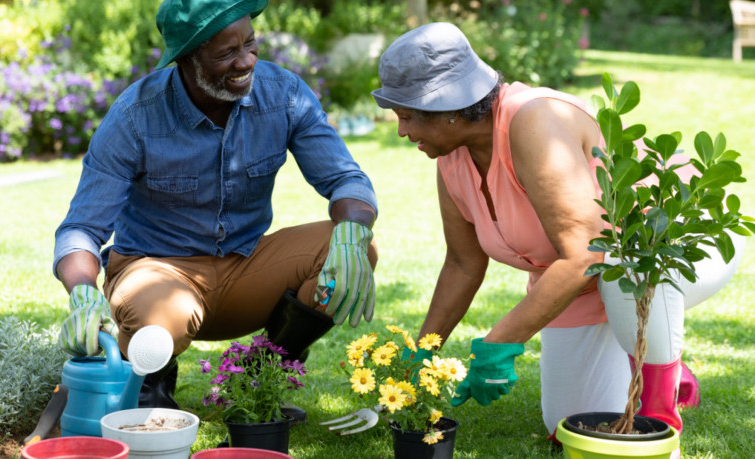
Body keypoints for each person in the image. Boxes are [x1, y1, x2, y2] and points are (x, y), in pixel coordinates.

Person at [371, 22, 744, 438]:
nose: (403, 131)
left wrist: (500, 341)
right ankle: (642, 352)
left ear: (450, 110)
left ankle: (660, 397)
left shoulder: (533, 120)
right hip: (582, 281)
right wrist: (423, 351)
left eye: (407, 116)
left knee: (623, 254)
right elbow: (462, 263)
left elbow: (588, 250)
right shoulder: (451, 158)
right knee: (568, 424)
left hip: (675, 243)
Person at [53, 0, 378, 421]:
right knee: (161, 314)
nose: (246, 61)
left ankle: (260, 383)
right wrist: (82, 292)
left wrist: (352, 233)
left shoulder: (284, 95)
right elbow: (81, 227)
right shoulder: (135, 116)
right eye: (227, 53)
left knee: (352, 248)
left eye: (250, 43)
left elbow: (345, 179)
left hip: (246, 267)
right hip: (158, 275)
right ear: (187, 58)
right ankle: (150, 392)